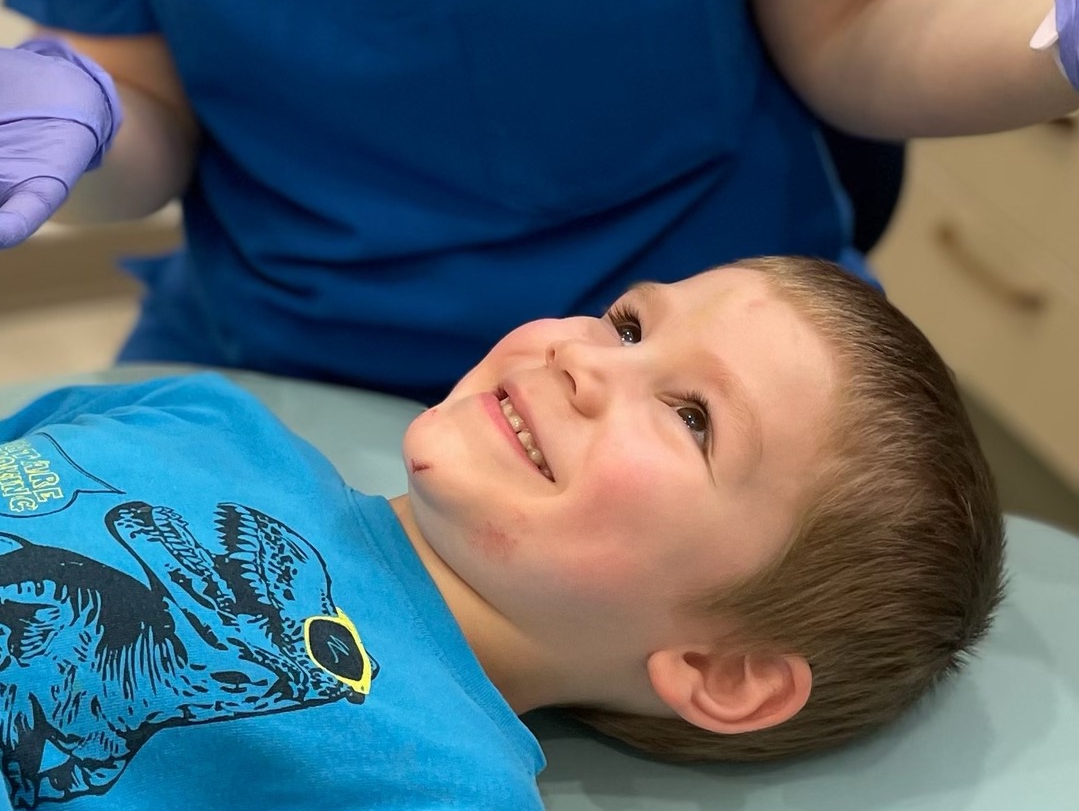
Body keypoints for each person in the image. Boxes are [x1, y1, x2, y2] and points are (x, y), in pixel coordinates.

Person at [0, 0, 1076, 405]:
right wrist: (85, 116)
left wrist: (1056, 35)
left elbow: (864, 9)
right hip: (284, 352)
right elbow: (139, 99)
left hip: (680, 372)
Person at [0, 256, 1004, 808]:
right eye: (627, 322)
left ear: (724, 667)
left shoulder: (441, 781)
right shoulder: (203, 415)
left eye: (692, 414)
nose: (584, 359)